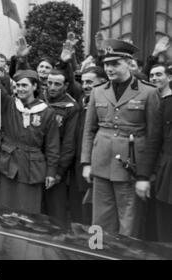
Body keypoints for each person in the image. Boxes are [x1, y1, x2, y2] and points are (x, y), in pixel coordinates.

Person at [81, 39, 161, 237]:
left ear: (128, 62)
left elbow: (154, 138)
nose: (109, 68)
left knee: (129, 223)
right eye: (106, 64)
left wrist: (145, 176)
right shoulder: (98, 91)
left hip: (130, 168)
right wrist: (86, 163)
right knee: (99, 221)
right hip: (100, 165)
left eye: (115, 63)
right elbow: (89, 130)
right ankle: (97, 254)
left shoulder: (148, 92)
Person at [0, 42, 60, 214]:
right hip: (8, 165)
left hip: (32, 169)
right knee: (3, 211)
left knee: (27, 214)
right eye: (17, 86)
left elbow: (53, 146)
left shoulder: (47, 112)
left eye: (25, 85)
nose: (20, 89)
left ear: (35, 87)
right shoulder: (9, 103)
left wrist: (51, 172)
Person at [43, 69, 80, 227]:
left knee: (55, 212)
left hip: (57, 164)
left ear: (65, 86)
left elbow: (69, 143)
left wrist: (59, 171)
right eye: (49, 83)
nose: (52, 87)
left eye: (57, 84)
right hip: (37, 161)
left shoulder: (71, 107)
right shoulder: (39, 99)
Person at [71, 66, 108, 225]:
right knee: (77, 216)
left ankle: (94, 248)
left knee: (94, 218)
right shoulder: (80, 102)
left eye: (89, 82)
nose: (85, 85)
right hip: (76, 169)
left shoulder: (106, 106)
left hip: (95, 169)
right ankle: (79, 248)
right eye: (83, 81)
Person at [137, 94, 172, 242]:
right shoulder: (167, 103)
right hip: (168, 179)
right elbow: (154, 141)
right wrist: (143, 177)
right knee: (166, 234)